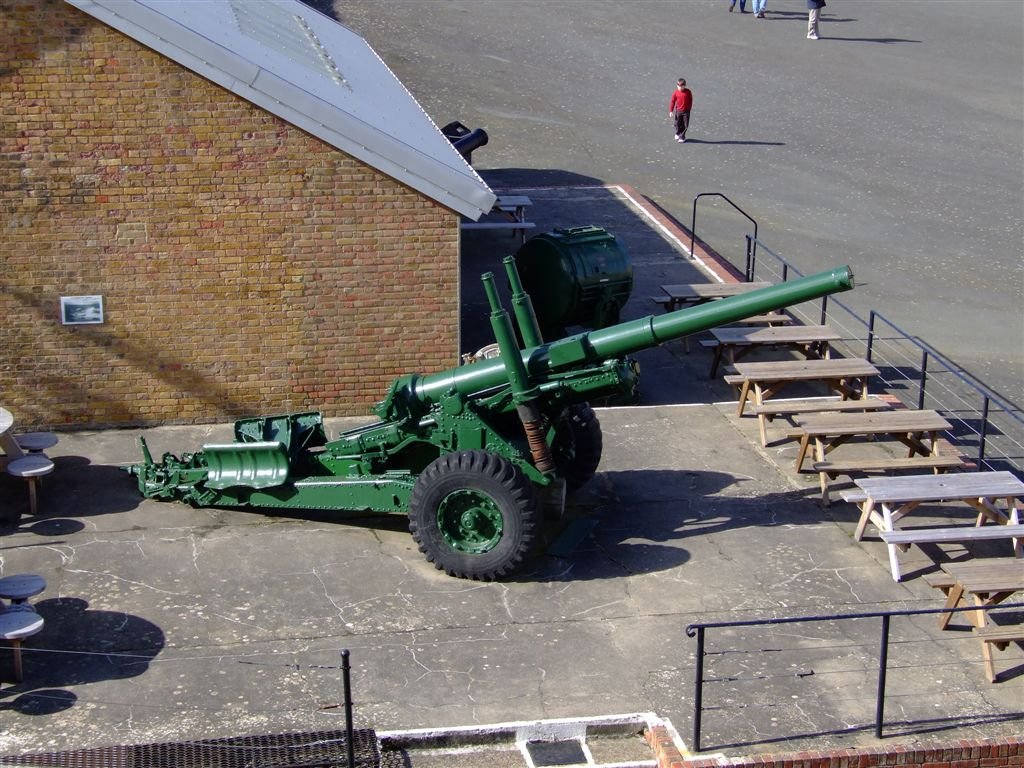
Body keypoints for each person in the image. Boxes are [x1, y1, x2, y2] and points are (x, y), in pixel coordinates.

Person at [668, 78, 693, 143]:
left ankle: (682, 137)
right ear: (677, 86)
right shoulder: (675, 93)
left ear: (685, 85)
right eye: (679, 86)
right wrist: (671, 111)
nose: (680, 88)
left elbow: (691, 100)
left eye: (682, 86)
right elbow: (672, 102)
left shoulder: (688, 92)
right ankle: (678, 133)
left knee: (685, 125)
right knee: (677, 123)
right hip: (678, 111)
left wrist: (689, 108)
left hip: (686, 112)